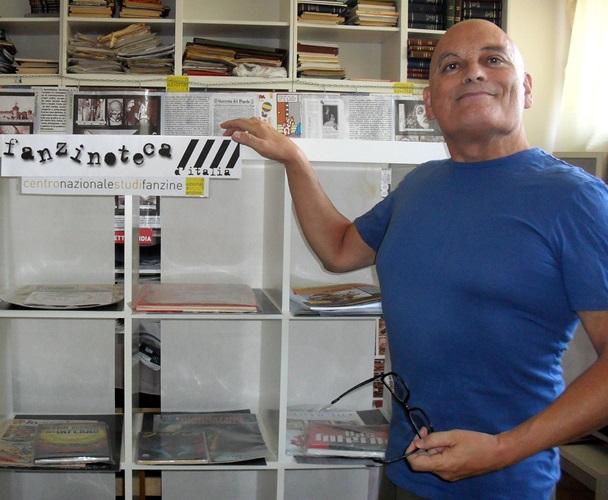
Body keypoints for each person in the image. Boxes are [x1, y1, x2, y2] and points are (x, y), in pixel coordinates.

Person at [221, 19, 608, 500]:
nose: (473, 73)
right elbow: (338, 249)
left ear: (525, 88)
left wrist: (502, 450)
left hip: (505, 482)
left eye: (493, 60)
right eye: (452, 66)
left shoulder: (577, 200)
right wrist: (294, 160)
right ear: (429, 104)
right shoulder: (420, 185)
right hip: (407, 469)